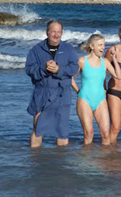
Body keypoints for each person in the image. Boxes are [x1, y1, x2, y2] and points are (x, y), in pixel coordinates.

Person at [25, 19, 79, 147]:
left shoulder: (68, 49)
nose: (56, 35)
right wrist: (44, 68)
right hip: (42, 92)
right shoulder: (36, 50)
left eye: (59, 32)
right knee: (38, 129)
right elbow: (29, 69)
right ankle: (34, 161)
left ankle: (60, 164)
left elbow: (74, 68)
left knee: (62, 131)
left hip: (62, 93)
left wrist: (59, 70)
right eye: (53, 31)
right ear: (47, 32)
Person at [71, 34, 121, 145]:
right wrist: (78, 91)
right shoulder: (82, 61)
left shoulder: (105, 62)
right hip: (85, 100)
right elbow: (70, 78)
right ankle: (86, 160)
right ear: (92, 46)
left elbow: (118, 75)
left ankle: (103, 160)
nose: (103, 48)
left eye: (104, 45)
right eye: (100, 45)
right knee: (89, 134)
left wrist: (114, 58)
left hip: (100, 100)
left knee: (105, 134)